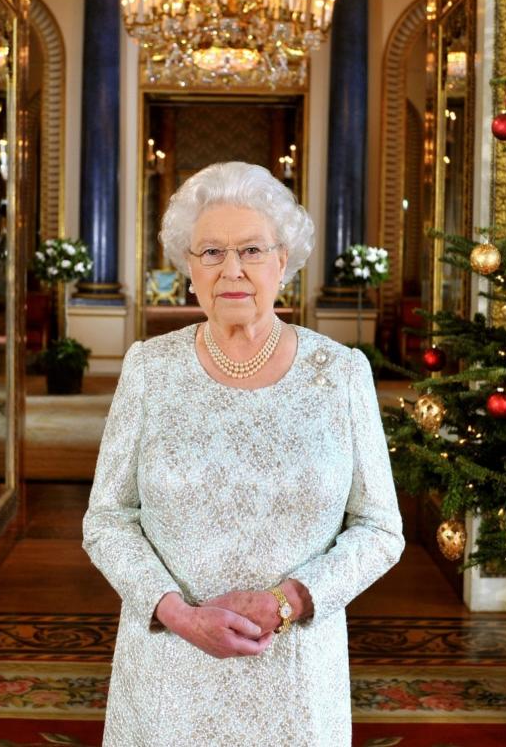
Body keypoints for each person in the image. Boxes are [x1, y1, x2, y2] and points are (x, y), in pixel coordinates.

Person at [82, 161, 405, 745]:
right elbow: (106, 521)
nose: (232, 270)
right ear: (188, 268)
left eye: (252, 249)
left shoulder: (341, 374)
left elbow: (381, 529)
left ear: (284, 261)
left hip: (296, 676)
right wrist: (179, 614)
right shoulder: (148, 369)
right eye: (210, 252)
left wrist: (289, 600)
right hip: (169, 673)